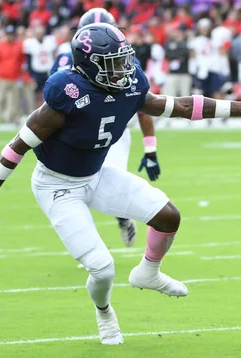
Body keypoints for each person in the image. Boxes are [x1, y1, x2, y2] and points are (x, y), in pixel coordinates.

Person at [0, 23, 241, 345]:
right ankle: (104, 311)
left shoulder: (129, 86)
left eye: (123, 59)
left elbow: (182, 107)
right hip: (57, 187)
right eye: (113, 63)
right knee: (103, 269)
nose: (122, 69)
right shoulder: (67, 97)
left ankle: (148, 272)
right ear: (90, 65)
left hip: (96, 174)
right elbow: (17, 146)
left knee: (168, 216)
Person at [50, 8, 158, 247]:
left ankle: (121, 216)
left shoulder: (126, 60)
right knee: (77, 190)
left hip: (113, 132)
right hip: (78, 134)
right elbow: (53, 108)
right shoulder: (64, 61)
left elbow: (143, 103)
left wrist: (150, 148)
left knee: (109, 184)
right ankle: (88, 244)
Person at [0, 25, 24, 127]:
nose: (10, 36)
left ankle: (16, 120)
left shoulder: (18, 45)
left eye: (11, 34)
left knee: (16, 100)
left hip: (15, 78)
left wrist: (21, 76)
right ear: (5, 35)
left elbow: (21, 62)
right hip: (2, 78)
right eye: (8, 34)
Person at [23, 24, 57, 107]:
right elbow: (28, 60)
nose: (40, 35)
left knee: (50, 92)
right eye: (38, 33)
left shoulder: (50, 40)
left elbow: (54, 55)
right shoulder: (30, 43)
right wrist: (31, 75)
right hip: (36, 71)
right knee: (37, 93)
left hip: (48, 70)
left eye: (41, 33)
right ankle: (38, 110)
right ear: (35, 34)